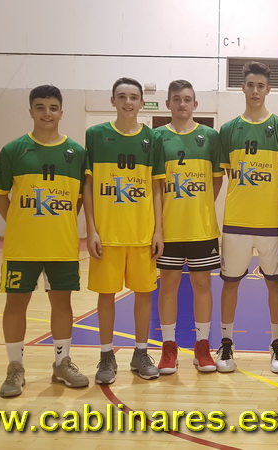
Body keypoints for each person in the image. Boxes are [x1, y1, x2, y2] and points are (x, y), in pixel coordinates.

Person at [0, 84, 89, 397]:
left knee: (62, 303)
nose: (47, 113)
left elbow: (78, 200)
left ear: (61, 112)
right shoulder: (13, 149)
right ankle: (15, 368)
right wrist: (19, 223)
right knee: (15, 303)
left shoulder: (77, 153)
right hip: (22, 246)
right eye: (40, 107)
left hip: (61, 245)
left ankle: (62, 363)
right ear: (31, 110)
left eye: (53, 108)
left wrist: (60, 222)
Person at [84, 77, 165, 384]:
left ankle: (141, 353)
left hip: (142, 234)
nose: (128, 102)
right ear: (113, 101)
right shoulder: (96, 135)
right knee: (106, 295)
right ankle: (106, 356)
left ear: (142, 102)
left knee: (144, 295)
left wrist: (158, 231)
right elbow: (88, 185)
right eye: (122, 96)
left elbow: (157, 188)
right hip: (107, 235)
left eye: (133, 97)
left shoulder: (153, 138)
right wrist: (91, 229)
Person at [218, 61, 278, 373]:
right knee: (230, 285)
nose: (255, 91)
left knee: (275, 285)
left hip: (270, 222)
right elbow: (228, 175)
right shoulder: (228, 130)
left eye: (260, 86)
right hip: (236, 222)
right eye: (250, 85)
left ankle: (277, 343)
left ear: (268, 89)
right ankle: (226, 343)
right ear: (243, 88)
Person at [154, 80, 223, 375]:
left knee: (203, 286)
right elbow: (155, 186)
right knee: (168, 286)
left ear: (195, 104)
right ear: (168, 104)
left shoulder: (210, 137)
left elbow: (217, 180)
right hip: (168, 229)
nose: (182, 104)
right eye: (176, 99)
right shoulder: (156, 137)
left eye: (187, 99)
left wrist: (201, 206)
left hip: (201, 228)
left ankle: (202, 346)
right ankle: (168, 347)